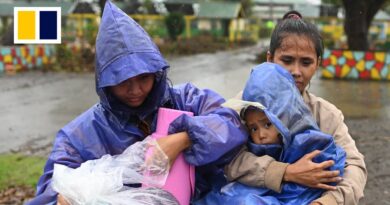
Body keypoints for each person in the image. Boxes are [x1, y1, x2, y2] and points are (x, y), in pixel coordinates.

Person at [26, 1, 246, 204]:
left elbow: (231, 123)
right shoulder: (81, 135)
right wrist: (64, 199)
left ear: (157, 73)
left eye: (144, 78)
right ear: (105, 83)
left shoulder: (187, 100)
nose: (136, 91)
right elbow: (51, 189)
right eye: (122, 82)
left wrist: (184, 138)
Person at [228, 11, 367, 205]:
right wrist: (285, 172)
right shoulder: (244, 106)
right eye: (286, 60)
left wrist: (326, 202)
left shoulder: (326, 115)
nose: (296, 72)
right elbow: (225, 159)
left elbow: (355, 167)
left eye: (306, 62)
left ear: (317, 64)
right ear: (270, 59)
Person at [195, 62, 345, 205]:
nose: (261, 134)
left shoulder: (315, 132)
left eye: (268, 124)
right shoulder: (240, 113)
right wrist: (285, 172)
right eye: (253, 128)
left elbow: (340, 168)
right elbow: (227, 159)